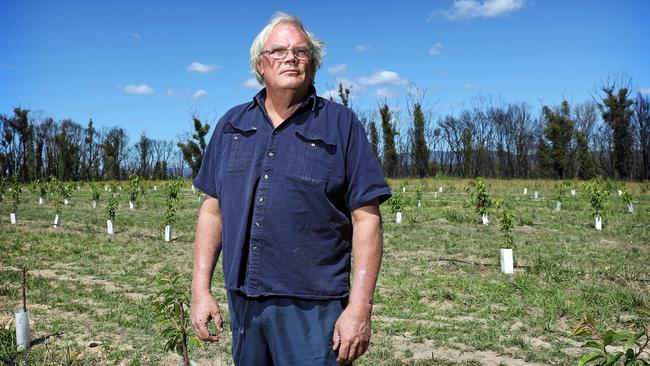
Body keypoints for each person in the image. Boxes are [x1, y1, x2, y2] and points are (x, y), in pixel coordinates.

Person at [190, 12, 391, 365]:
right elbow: (213, 209)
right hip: (244, 303)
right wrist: (200, 289)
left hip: (314, 308)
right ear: (260, 64)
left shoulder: (341, 125)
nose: (291, 58)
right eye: (279, 51)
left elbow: (367, 219)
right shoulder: (231, 125)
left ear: (312, 64)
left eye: (300, 51)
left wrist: (360, 308)